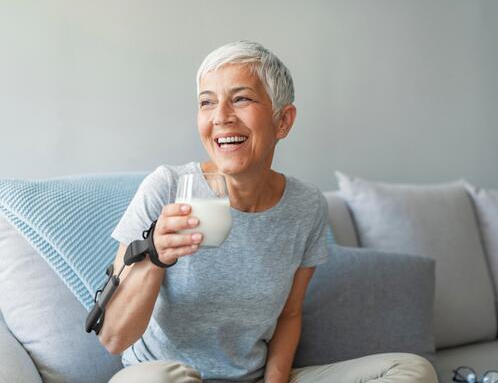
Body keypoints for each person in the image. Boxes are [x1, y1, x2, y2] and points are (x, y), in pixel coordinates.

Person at [102, 41, 438, 383]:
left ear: (283, 121)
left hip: (253, 378)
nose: (221, 117)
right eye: (207, 102)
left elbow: (290, 315)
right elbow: (114, 339)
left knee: (411, 370)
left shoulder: (306, 206)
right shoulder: (168, 187)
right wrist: (155, 259)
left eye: (241, 98)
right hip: (165, 377)